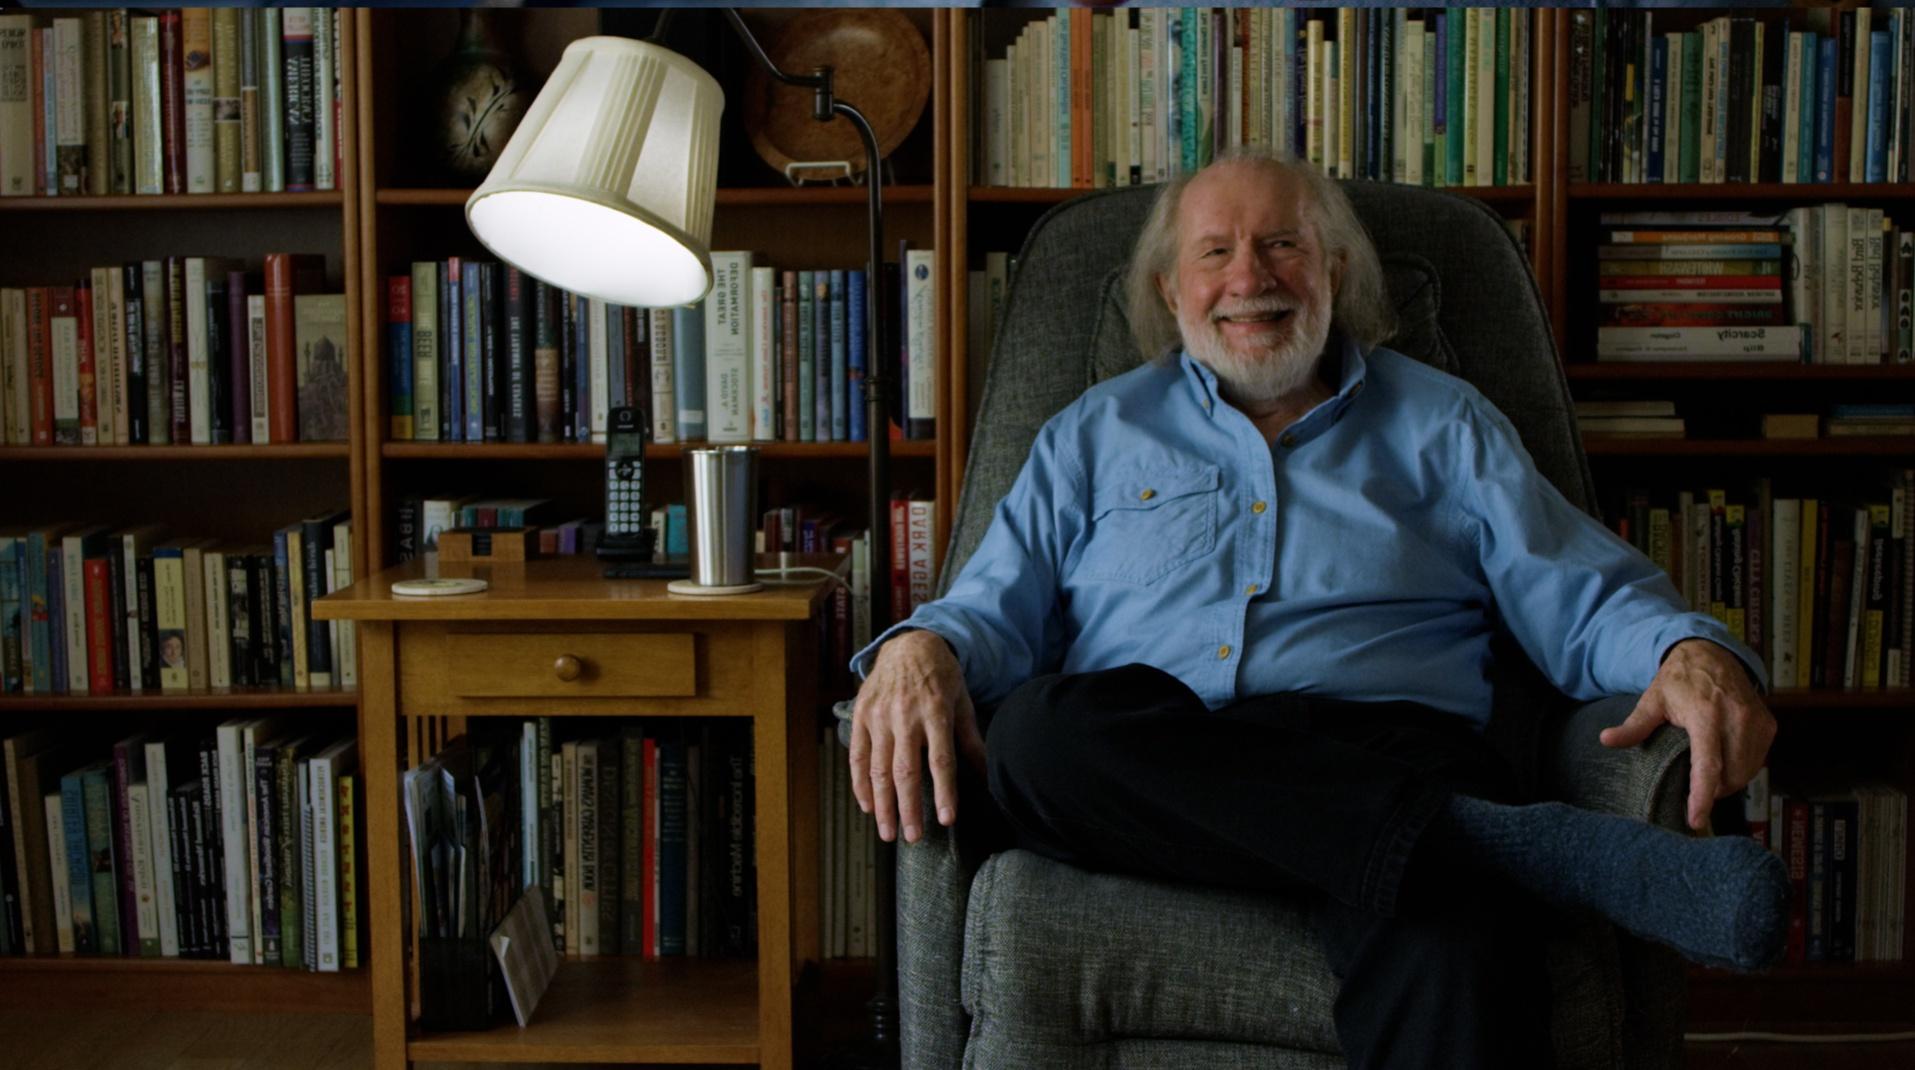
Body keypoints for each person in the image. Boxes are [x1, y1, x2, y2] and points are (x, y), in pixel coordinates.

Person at [847, 148, 1788, 1067]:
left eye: (1282, 245)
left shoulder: (1445, 424)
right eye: (1214, 251)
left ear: (1334, 272)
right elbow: (991, 609)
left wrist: (1683, 652)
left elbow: (1577, 597)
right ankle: (1515, 847)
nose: (1249, 276)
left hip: (1384, 743)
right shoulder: (1092, 434)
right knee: (1038, 737)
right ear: (1172, 290)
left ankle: (1440, 845)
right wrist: (920, 645)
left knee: (1453, 951)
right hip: (1150, 757)